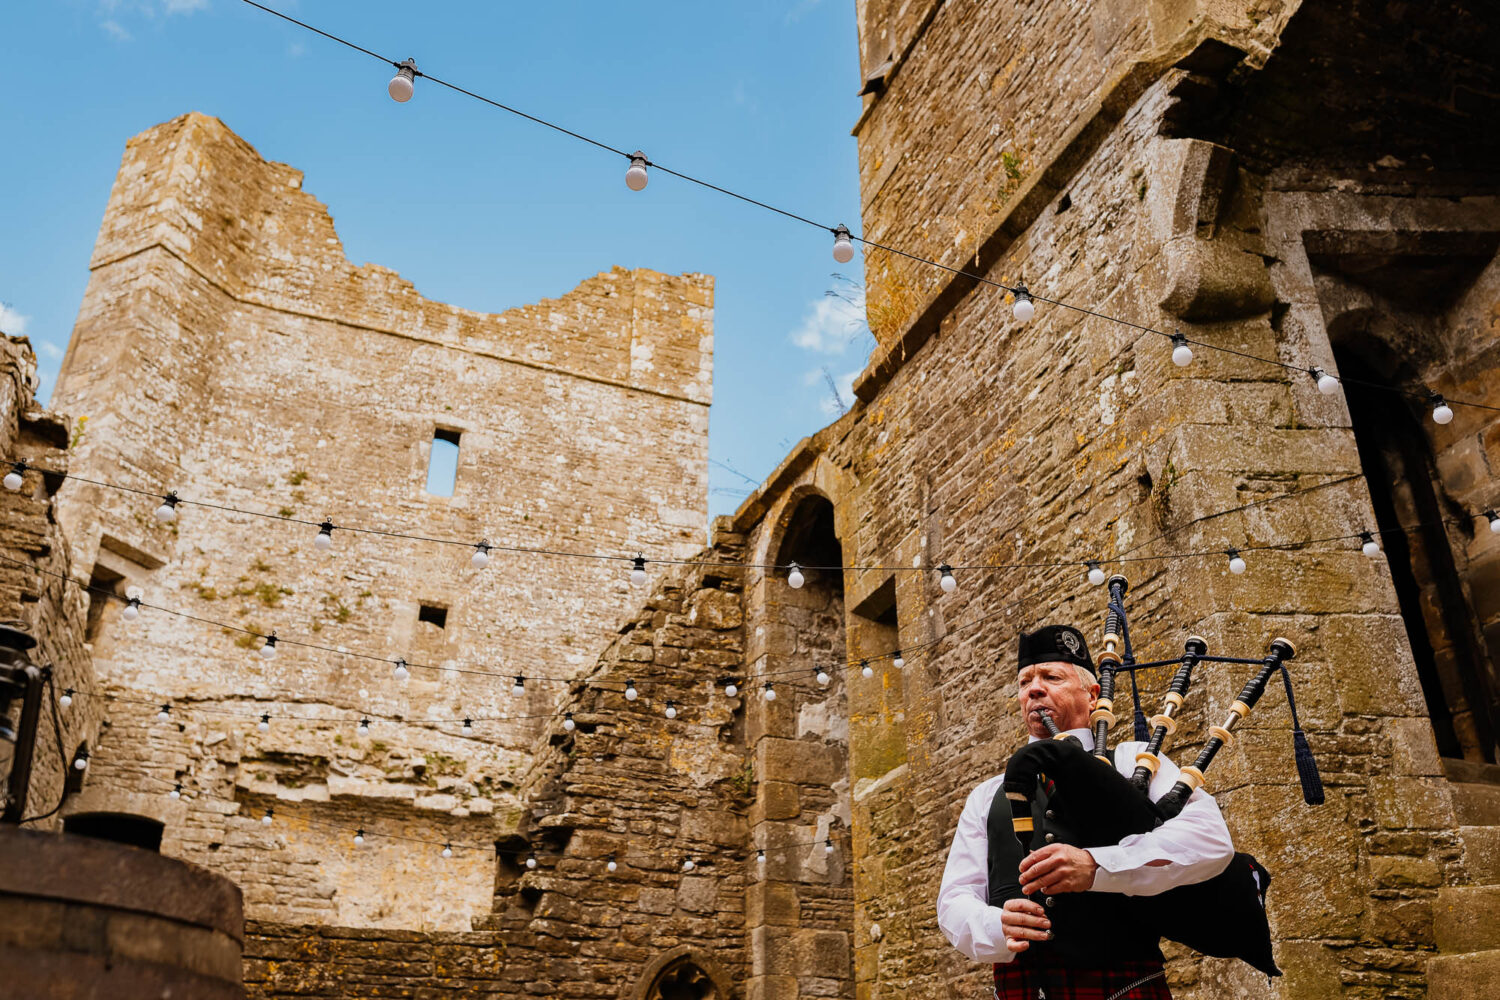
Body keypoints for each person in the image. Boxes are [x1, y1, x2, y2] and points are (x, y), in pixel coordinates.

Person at [936, 625, 1235, 999]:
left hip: (1123, 986)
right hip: (1022, 989)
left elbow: (1210, 841)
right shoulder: (987, 794)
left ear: (1093, 695)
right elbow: (954, 899)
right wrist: (995, 925)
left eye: (1052, 677)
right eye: (1025, 681)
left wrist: (1096, 866)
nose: (1034, 689)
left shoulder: (1135, 762)